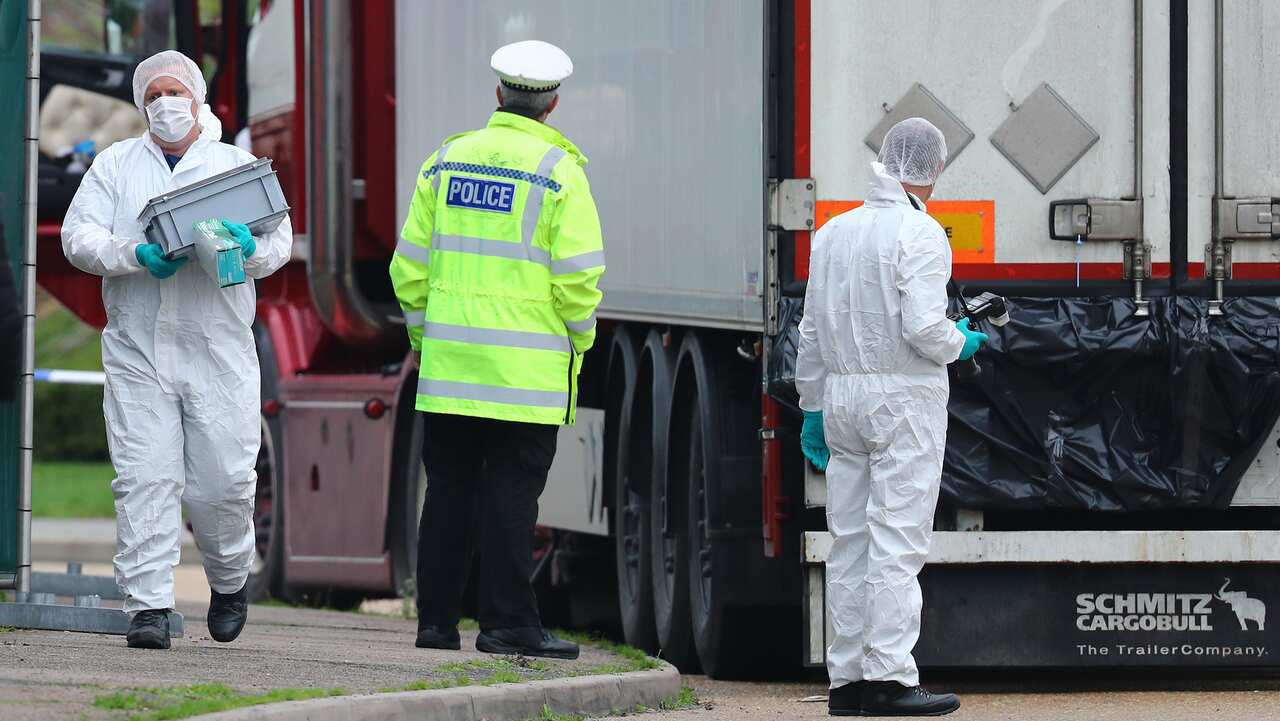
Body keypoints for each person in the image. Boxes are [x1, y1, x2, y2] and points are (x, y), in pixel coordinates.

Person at [61, 50, 292, 650]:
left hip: (217, 349)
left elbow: (278, 242)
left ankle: (228, 579)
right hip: (139, 349)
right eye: (154, 93)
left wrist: (248, 246)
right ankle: (148, 605)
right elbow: (77, 237)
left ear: (197, 95)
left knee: (223, 485)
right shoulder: (115, 165)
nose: (165, 102)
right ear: (142, 105)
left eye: (174, 90)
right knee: (145, 478)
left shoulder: (235, 165)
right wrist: (132, 255)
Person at [390, 39, 605, 660]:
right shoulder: (559, 172)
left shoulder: (446, 161)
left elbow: (410, 269)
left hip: (451, 369)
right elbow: (578, 279)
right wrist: (579, 343)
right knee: (513, 496)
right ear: (553, 104)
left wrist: (428, 339)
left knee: (449, 490)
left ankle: (435, 623)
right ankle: (507, 622)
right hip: (525, 376)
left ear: (497, 96)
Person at [796, 117, 987, 717]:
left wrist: (812, 406)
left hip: (843, 399)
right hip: (904, 402)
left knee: (849, 540)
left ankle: (847, 681)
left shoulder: (832, 233)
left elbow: (809, 332)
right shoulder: (923, 234)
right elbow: (927, 330)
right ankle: (892, 678)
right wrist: (965, 341)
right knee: (897, 541)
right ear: (935, 169)